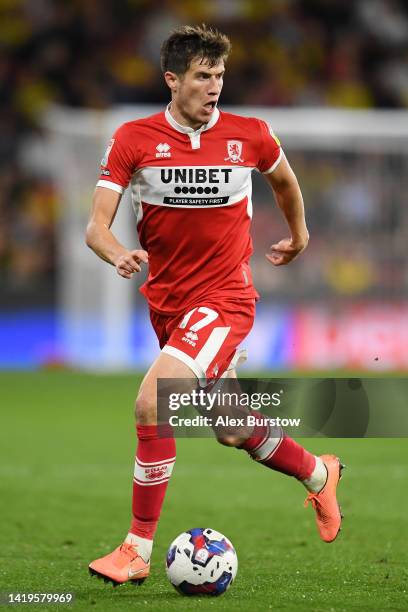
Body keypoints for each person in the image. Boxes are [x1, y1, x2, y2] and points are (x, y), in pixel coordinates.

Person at [86, 24, 343, 586]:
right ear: (172, 80)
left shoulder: (250, 135)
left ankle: (135, 550)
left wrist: (298, 235)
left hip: (224, 299)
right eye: (203, 76)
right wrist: (117, 253)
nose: (214, 86)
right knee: (229, 427)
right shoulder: (133, 139)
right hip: (168, 305)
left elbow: (286, 183)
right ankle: (318, 474)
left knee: (153, 401)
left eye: (220, 75)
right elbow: (95, 228)